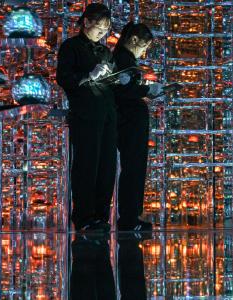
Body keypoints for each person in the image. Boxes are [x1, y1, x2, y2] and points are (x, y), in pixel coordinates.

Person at [57, 4, 128, 232]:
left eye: (106, 28)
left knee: (106, 166)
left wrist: (118, 79)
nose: (103, 32)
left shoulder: (105, 51)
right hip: (85, 115)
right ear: (86, 22)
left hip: (107, 114)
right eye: (100, 26)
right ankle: (84, 217)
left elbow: (108, 82)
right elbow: (64, 78)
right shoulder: (71, 47)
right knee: (87, 165)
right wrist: (88, 76)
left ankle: (100, 216)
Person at [113, 22, 163, 231]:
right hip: (129, 121)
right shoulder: (122, 60)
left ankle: (130, 216)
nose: (144, 51)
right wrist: (146, 90)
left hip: (129, 120)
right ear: (133, 40)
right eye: (144, 46)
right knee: (133, 168)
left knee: (133, 168)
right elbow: (124, 91)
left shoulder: (124, 60)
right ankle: (129, 218)